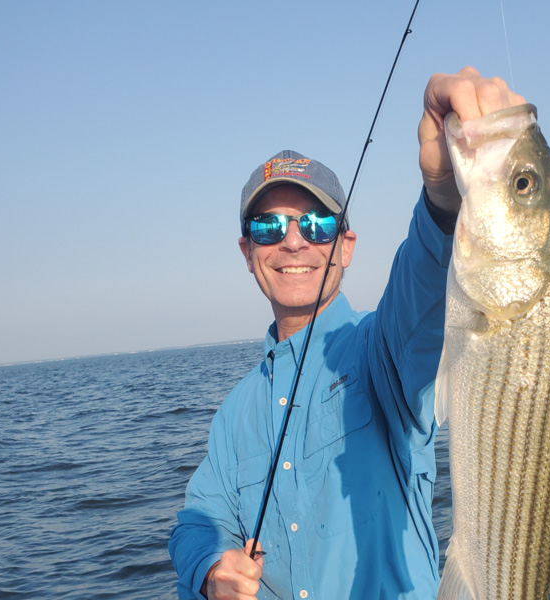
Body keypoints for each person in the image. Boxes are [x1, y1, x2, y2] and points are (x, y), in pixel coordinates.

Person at [169, 67, 526, 600]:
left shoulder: (378, 351)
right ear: (248, 254)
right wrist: (207, 568)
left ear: (347, 246)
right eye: (269, 227)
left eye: (317, 224)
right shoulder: (233, 414)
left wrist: (443, 201)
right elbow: (197, 517)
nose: (294, 242)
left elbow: (421, 292)